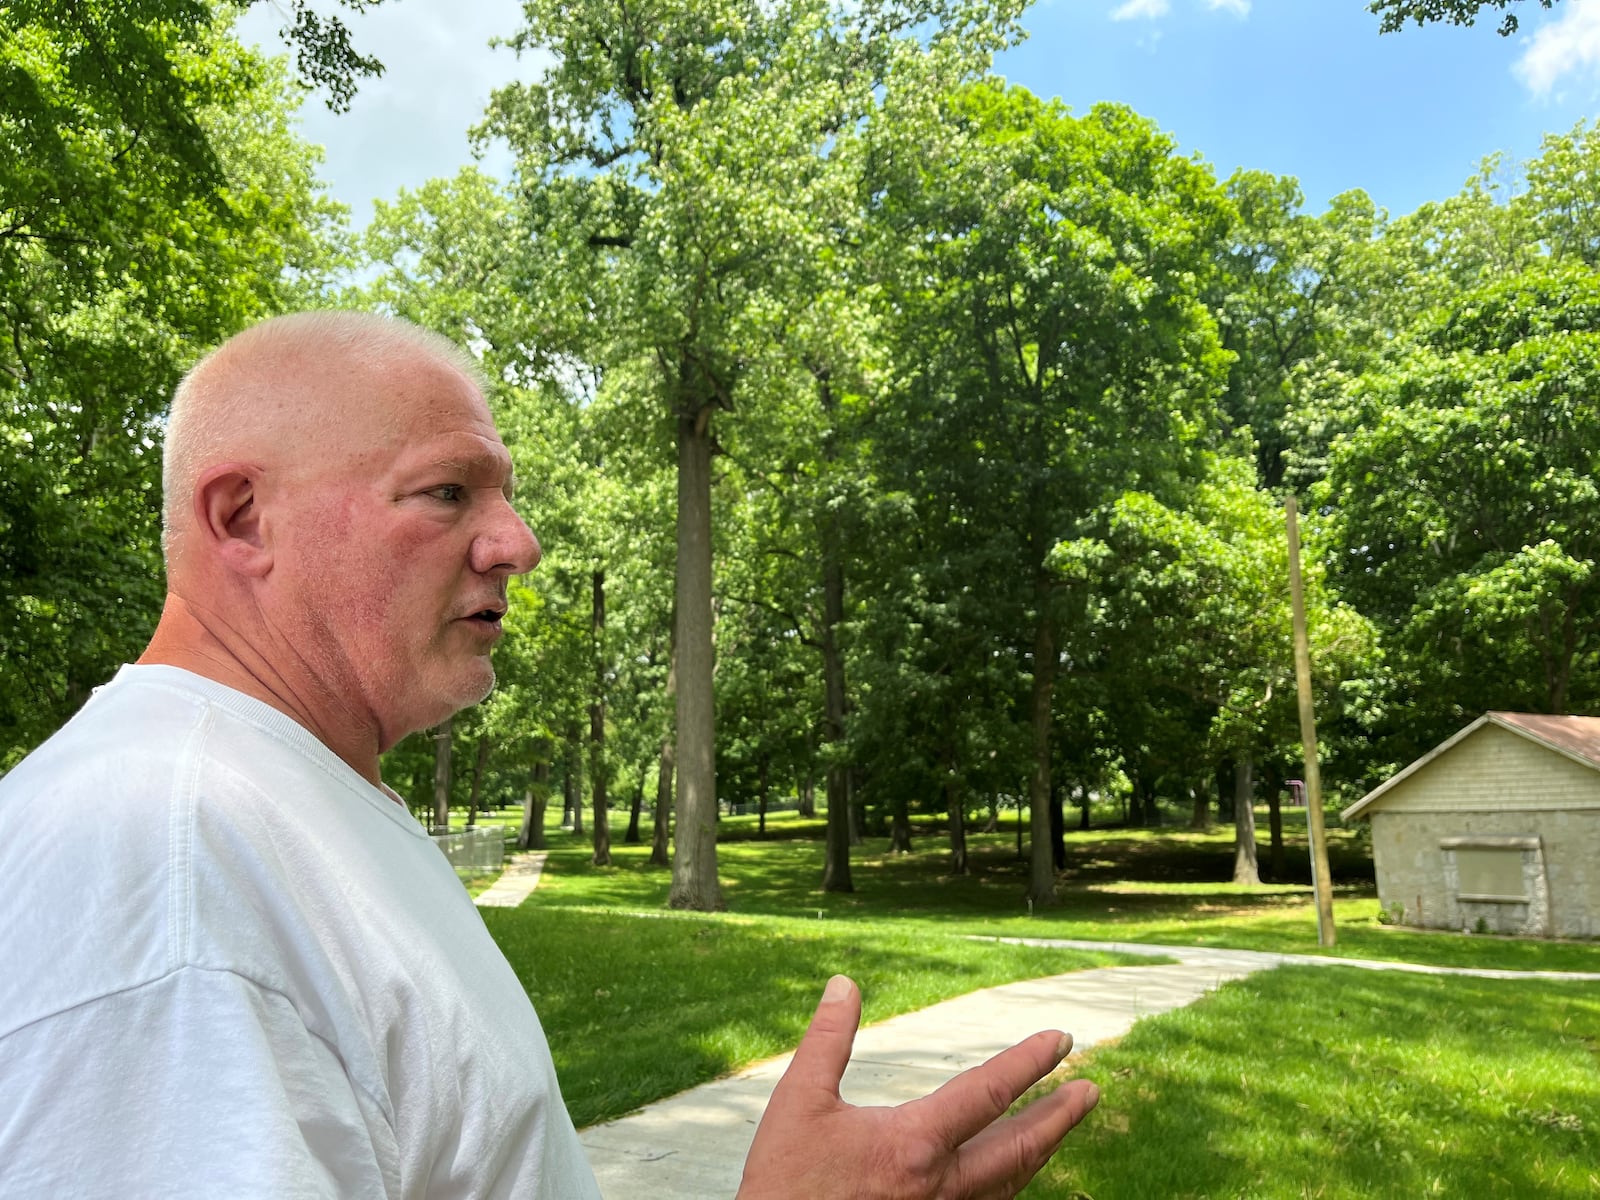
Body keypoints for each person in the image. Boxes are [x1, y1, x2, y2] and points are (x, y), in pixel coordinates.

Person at [0, 312, 1099, 1198]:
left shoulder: (293, 806)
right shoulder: (167, 856)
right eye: (448, 491)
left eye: (504, 494)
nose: (516, 542)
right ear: (243, 518)